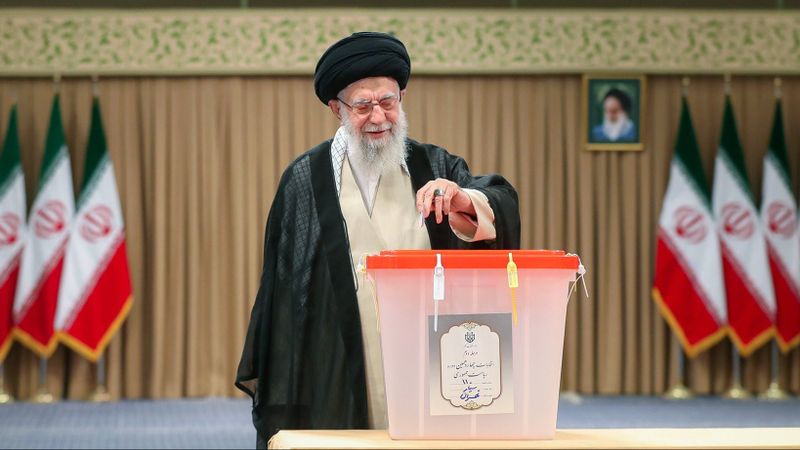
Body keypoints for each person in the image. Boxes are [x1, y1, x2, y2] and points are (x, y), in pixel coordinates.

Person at [235, 31, 521, 448]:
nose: (378, 117)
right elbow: (285, 290)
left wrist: (463, 199)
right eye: (363, 105)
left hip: (426, 347)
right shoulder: (304, 178)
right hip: (339, 354)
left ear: (402, 98)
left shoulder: (434, 164)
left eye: (388, 102)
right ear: (337, 109)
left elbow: (499, 201)